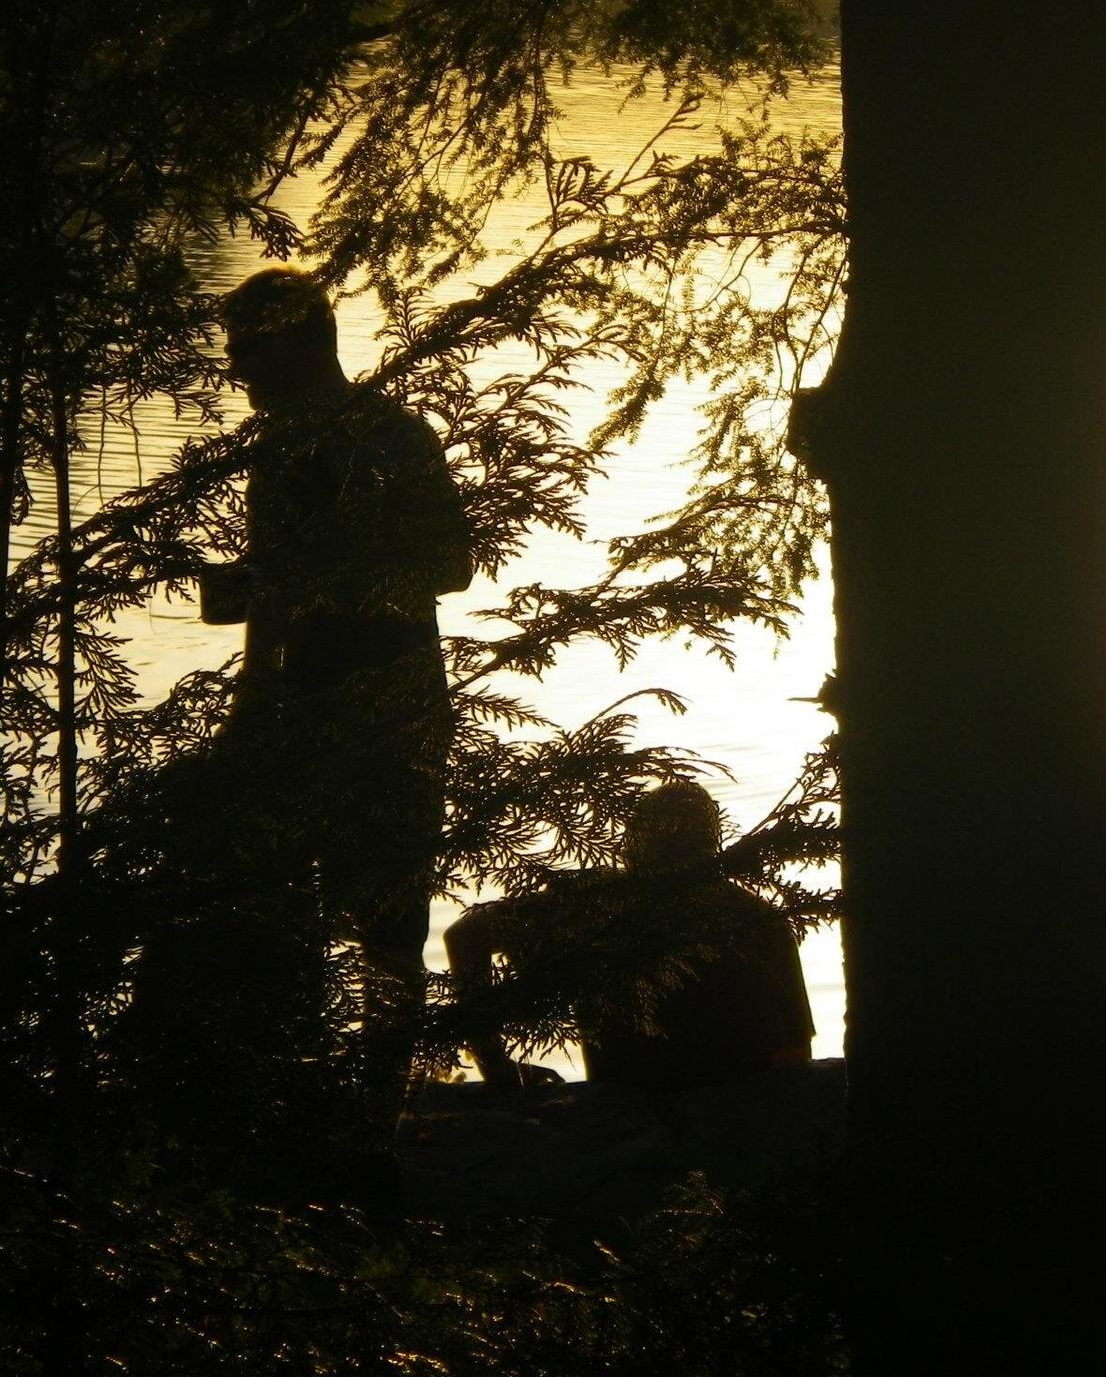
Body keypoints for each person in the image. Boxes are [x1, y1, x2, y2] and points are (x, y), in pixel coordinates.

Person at [194, 266, 470, 1148]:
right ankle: (338, 1111)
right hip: (344, 704)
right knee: (330, 915)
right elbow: (298, 598)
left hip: (365, 708)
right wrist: (261, 596)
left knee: (372, 913)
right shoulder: (325, 444)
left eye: (252, 350)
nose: (240, 370)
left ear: (305, 342)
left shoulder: (357, 440)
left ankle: (369, 1116)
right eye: (233, 352)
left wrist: (286, 585)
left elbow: (445, 566)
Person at [446, 781, 815, 1094]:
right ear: (712, 841)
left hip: (619, 1102)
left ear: (634, 839)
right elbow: (795, 1055)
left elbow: (465, 935)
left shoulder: (593, 905)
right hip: (734, 1108)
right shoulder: (756, 919)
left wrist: (496, 1065)